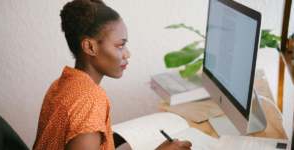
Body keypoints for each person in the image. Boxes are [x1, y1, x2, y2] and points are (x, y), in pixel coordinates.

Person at [33, 0, 192, 149]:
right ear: (90, 47)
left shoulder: (60, 84)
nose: (127, 54)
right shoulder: (92, 98)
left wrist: (115, 137)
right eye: (121, 45)